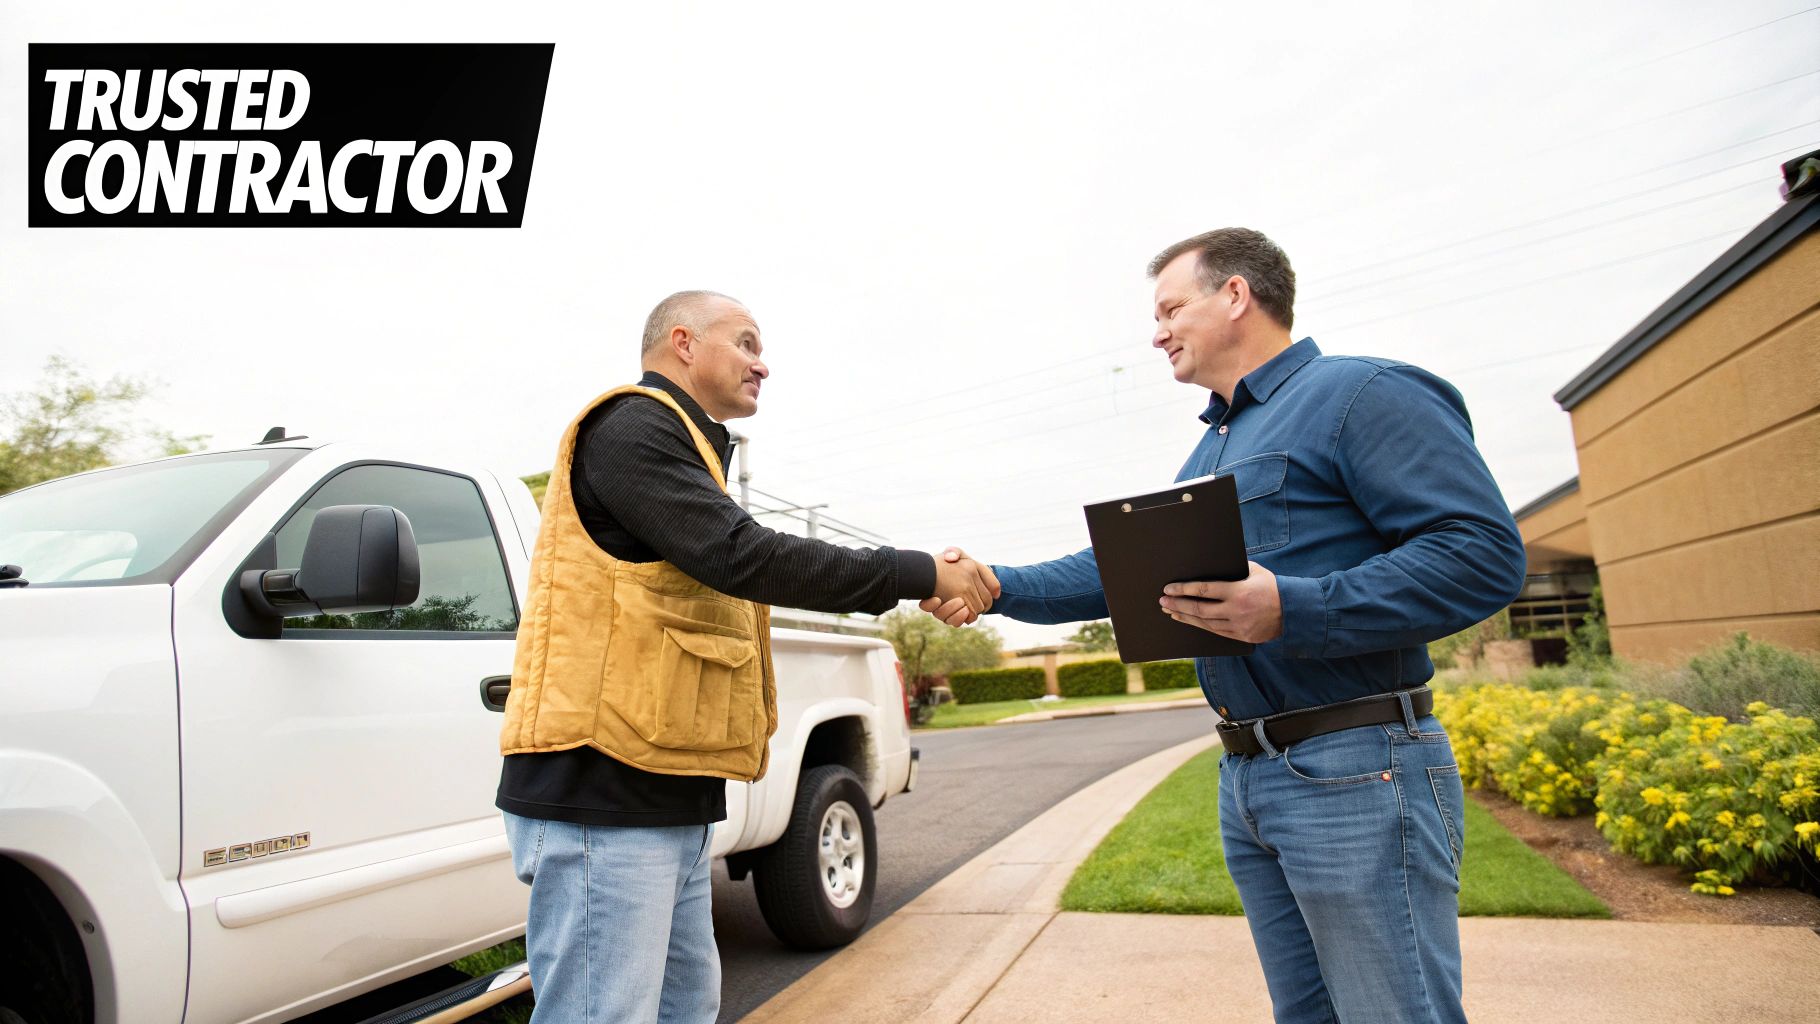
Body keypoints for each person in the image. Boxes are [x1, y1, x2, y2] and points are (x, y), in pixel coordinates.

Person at [927, 229, 1526, 1024]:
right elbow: (1118, 571)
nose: (1157, 331)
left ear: (1236, 295)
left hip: (1356, 767)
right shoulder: (1208, 454)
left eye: (1171, 307)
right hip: (1252, 777)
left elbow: (1481, 554)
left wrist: (1294, 607)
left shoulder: (1364, 393)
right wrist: (995, 585)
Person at [497, 289, 998, 1024]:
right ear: (683, 342)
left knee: (684, 1010)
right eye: (747, 342)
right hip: (601, 790)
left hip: (666, 789)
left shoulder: (692, 450)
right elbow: (742, 556)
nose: (764, 364)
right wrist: (920, 572)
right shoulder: (633, 425)